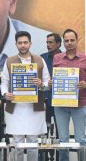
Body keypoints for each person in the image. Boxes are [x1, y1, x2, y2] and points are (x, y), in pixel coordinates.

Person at [1, 31, 49, 161]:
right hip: (16, 108)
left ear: (30, 43)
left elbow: (47, 84)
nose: (23, 45)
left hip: (34, 108)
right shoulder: (9, 61)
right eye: (20, 43)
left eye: (25, 42)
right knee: (17, 144)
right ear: (16, 44)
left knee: (33, 143)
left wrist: (41, 85)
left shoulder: (40, 60)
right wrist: (5, 94)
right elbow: (4, 83)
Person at [51, 29, 86, 161]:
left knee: (81, 140)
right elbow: (55, 79)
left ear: (77, 41)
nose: (69, 43)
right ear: (63, 43)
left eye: (72, 40)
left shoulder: (85, 58)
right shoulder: (57, 58)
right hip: (60, 105)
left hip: (80, 103)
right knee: (63, 140)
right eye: (67, 40)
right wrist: (52, 82)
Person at [40, 33, 61, 150]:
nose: (48, 45)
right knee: (43, 132)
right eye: (47, 42)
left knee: (60, 132)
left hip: (61, 101)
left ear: (58, 44)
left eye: (51, 42)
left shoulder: (65, 57)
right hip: (46, 100)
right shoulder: (42, 58)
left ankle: (60, 156)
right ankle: (41, 156)